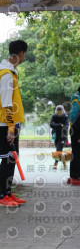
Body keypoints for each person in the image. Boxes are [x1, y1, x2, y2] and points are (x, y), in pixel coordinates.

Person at [0, 39, 28, 207]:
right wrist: (10, 128)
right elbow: (6, 104)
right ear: (21, 54)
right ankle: (2, 195)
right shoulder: (6, 75)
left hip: (11, 124)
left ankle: (9, 193)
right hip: (4, 125)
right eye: (25, 54)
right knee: (6, 159)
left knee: (11, 159)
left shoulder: (11, 72)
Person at [50, 105, 69, 169]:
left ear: (63, 111)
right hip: (56, 135)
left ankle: (55, 164)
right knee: (58, 150)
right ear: (56, 111)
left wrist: (56, 125)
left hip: (63, 136)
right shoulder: (54, 116)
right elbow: (51, 124)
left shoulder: (65, 117)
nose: (59, 114)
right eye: (58, 112)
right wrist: (60, 125)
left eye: (60, 112)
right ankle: (64, 162)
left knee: (58, 149)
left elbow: (66, 127)